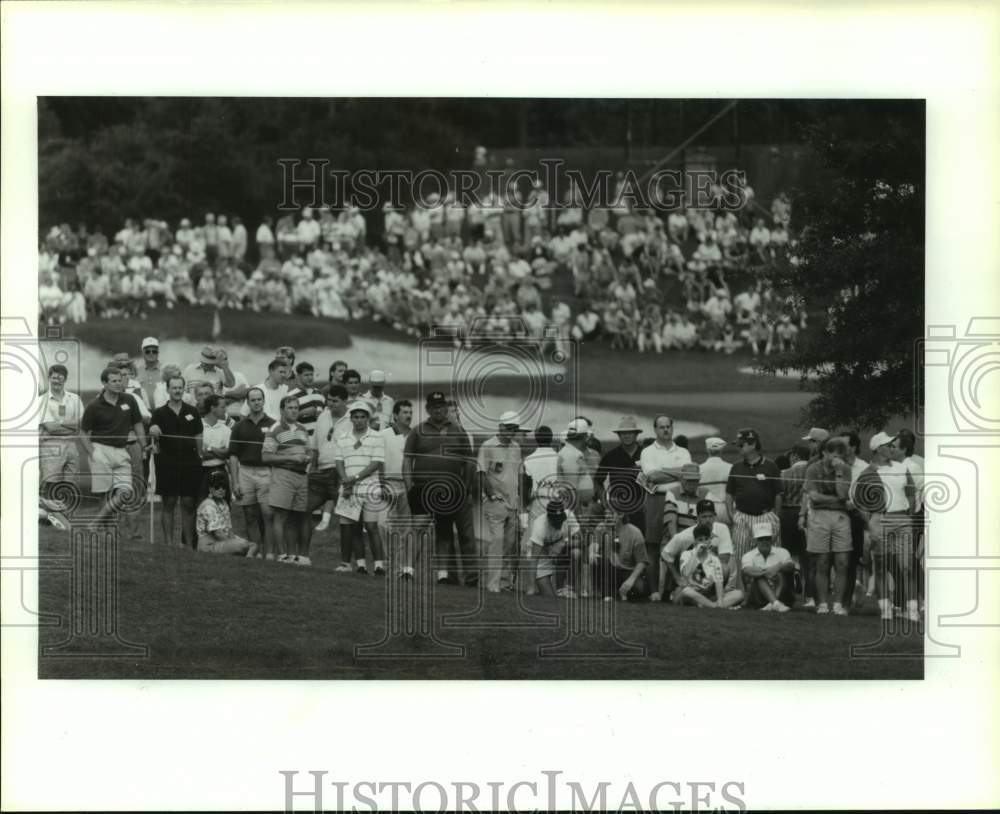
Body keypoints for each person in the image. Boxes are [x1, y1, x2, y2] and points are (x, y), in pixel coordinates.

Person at [403, 390, 476, 586]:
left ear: (445, 408)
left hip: (451, 490)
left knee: (444, 532)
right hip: (422, 488)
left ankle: (443, 575)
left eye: (441, 406)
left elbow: (469, 462)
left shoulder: (458, 430)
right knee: (418, 528)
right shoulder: (417, 430)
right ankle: (408, 570)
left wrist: (466, 487)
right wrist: (409, 486)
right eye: (434, 407)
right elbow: (407, 460)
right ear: (428, 409)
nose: (438, 410)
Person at [855, 431, 919, 622]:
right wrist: (871, 524)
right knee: (881, 567)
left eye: (893, 444)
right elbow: (860, 503)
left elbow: (910, 493)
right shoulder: (868, 473)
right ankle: (886, 610)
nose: (891, 447)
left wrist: (907, 516)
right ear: (878, 449)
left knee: (907, 567)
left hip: (902, 521)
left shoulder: (901, 468)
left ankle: (913, 610)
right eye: (888, 445)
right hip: (880, 520)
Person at [80, 366, 146, 527]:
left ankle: (95, 524)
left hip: (121, 451)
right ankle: (104, 532)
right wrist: (93, 453)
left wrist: (144, 445)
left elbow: (137, 423)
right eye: (114, 381)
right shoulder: (94, 405)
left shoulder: (129, 400)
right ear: (104, 383)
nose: (118, 383)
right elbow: (82, 432)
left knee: (125, 492)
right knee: (104, 494)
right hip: (100, 450)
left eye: (120, 380)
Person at [638, 414, 692, 600]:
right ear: (655, 430)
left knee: (677, 542)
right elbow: (652, 477)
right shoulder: (648, 452)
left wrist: (665, 472)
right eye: (661, 427)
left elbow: (688, 472)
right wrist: (677, 473)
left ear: (672, 427)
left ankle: (672, 590)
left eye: (668, 426)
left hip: (678, 498)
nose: (665, 430)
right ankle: (654, 592)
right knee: (652, 545)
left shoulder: (683, 451)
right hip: (656, 499)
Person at [149, 375, 203, 547]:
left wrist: (200, 455)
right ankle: (169, 546)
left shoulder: (192, 411)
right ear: (168, 390)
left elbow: (198, 435)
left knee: (188, 503)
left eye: (180, 388)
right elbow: (153, 435)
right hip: (166, 463)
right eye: (174, 388)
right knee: (169, 502)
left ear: (184, 389)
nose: (177, 391)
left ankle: (187, 545)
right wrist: (153, 429)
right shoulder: (159, 413)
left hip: (190, 462)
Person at [334, 400, 386, 575]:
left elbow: (376, 463)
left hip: (370, 488)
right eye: (355, 417)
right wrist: (345, 481)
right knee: (353, 528)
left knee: (371, 527)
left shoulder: (377, 437)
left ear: (368, 419)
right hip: (349, 488)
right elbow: (339, 461)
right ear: (351, 418)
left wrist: (354, 478)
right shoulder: (343, 437)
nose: (359, 420)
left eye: (362, 417)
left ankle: (379, 566)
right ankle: (361, 565)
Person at [803, 437, 853, 615]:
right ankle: (823, 604)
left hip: (840, 517)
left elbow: (843, 493)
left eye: (839, 455)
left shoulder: (845, 469)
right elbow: (814, 497)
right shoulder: (813, 469)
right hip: (819, 516)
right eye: (832, 454)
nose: (835, 458)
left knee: (842, 562)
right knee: (822, 562)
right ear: (824, 452)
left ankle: (838, 604)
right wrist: (838, 500)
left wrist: (839, 472)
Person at [653, 499, 734, 601]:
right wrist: (677, 578)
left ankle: (709, 598)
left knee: (724, 569)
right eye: (704, 516)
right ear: (697, 518)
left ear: (715, 516)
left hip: (712, 575)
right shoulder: (684, 536)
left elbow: (724, 560)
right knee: (680, 598)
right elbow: (665, 554)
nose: (708, 520)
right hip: (690, 578)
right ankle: (707, 599)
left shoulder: (722, 529)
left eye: (710, 516)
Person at [261, 395, 311, 563]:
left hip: (301, 476)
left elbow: (309, 451)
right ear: (282, 410)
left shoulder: (303, 429)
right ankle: (282, 555)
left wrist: (307, 457)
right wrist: (291, 459)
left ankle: (292, 555)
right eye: (290, 407)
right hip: (283, 474)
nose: (294, 411)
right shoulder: (275, 429)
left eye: (296, 407)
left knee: (295, 516)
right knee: (281, 515)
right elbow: (266, 457)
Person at [227, 386, 275, 558]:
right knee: (250, 515)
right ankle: (256, 552)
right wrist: (235, 482)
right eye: (253, 400)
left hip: (266, 472)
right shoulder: (239, 426)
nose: (256, 403)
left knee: (268, 514)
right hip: (245, 472)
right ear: (248, 402)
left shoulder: (273, 424)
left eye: (259, 399)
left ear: (263, 401)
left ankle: (269, 553)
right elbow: (233, 456)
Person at [477, 411, 523, 593]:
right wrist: (491, 494)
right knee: (497, 540)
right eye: (509, 428)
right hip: (495, 501)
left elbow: (517, 474)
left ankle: (505, 583)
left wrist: (520, 500)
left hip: (513, 502)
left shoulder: (516, 447)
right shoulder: (488, 446)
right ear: (501, 427)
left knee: (510, 544)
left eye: (514, 429)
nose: (511, 432)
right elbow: (481, 473)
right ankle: (493, 584)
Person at [725, 428, 783, 562]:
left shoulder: (770, 466)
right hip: (743, 517)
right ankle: (741, 584)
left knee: (769, 559)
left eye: (741, 445)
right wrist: (731, 514)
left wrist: (775, 516)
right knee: (740, 558)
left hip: (765, 516)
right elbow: (729, 493)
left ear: (753, 444)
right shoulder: (736, 467)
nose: (738, 448)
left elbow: (778, 494)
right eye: (738, 445)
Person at [378, 399, 414, 578]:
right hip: (389, 483)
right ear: (395, 415)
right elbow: (379, 460)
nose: (408, 415)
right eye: (404, 412)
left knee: (406, 528)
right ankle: (390, 564)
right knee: (384, 526)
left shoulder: (415, 435)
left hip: (408, 485)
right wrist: (382, 483)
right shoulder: (384, 434)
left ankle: (405, 569)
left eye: (410, 412)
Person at [311, 385, 352, 538]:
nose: (330, 404)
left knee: (346, 512)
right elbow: (315, 445)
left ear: (344, 401)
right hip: (322, 469)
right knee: (307, 506)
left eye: (335, 401)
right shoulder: (323, 416)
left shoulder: (352, 419)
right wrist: (313, 466)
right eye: (328, 400)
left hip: (342, 471)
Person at [38, 363, 82, 501]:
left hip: (72, 446)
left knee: (70, 485)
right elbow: (51, 428)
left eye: (60, 377)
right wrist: (71, 427)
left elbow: (81, 424)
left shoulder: (75, 399)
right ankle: (49, 519)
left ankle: (65, 520)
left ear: (65, 379)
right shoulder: (42, 400)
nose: (57, 380)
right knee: (50, 484)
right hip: (50, 446)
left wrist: (60, 423)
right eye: (54, 377)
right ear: (49, 379)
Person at [594, 415, 646, 534]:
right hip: (618, 508)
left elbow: (653, 480)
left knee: (640, 539)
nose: (626, 436)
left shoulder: (646, 454)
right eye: (623, 433)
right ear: (619, 435)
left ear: (636, 434)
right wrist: (605, 502)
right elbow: (597, 481)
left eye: (630, 433)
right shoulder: (611, 456)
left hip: (641, 508)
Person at [589, 506, 649, 601]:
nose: (607, 517)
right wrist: (592, 552)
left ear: (621, 515)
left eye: (611, 514)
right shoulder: (601, 528)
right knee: (600, 561)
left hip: (626, 571)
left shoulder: (635, 532)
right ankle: (607, 593)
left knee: (640, 589)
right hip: (608, 569)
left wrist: (631, 580)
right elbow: (594, 544)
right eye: (606, 514)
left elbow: (642, 561)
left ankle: (618, 591)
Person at [677, 525, 744, 609]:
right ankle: (713, 605)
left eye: (706, 539)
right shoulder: (686, 554)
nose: (703, 542)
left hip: (709, 594)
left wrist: (720, 600)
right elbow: (686, 574)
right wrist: (696, 554)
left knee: (739, 594)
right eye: (700, 540)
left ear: (709, 541)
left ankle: (707, 605)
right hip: (692, 592)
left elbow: (719, 581)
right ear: (695, 542)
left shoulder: (714, 558)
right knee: (686, 592)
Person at [780, 443, 813, 606]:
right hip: (807, 515)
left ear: (795, 456)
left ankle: (792, 582)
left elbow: (780, 494)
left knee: (788, 554)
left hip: (787, 513)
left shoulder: (785, 473)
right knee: (807, 555)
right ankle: (809, 596)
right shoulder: (812, 472)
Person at [528, 500, 580, 598]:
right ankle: (552, 589)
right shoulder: (540, 525)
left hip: (560, 553)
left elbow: (581, 541)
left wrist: (562, 545)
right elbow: (534, 558)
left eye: (561, 519)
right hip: (542, 556)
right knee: (549, 596)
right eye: (556, 520)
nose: (559, 523)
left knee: (576, 552)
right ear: (549, 518)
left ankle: (567, 589)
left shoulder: (569, 516)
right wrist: (531, 587)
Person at [196, 470, 254, 556]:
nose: (221, 489)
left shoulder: (224, 503)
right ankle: (247, 555)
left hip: (222, 541)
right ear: (210, 489)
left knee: (253, 545)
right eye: (217, 487)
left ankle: (248, 556)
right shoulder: (208, 505)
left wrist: (233, 541)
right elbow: (217, 533)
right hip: (209, 544)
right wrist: (232, 543)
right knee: (244, 545)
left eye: (223, 487)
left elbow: (229, 530)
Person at [741, 523, 796, 611]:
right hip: (759, 596)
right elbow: (746, 570)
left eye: (767, 538)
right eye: (761, 539)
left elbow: (790, 566)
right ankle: (776, 603)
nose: (764, 541)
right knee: (759, 577)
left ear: (772, 539)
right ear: (755, 541)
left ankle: (773, 603)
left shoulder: (782, 552)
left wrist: (778, 567)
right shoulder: (748, 555)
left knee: (780, 573)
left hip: (783, 593)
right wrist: (766, 572)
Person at [199, 394, 235, 501]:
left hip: (220, 470)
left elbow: (228, 452)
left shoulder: (226, 429)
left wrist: (210, 448)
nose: (225, 410)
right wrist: (219, 451)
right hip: (202, 471)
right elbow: (200, 453)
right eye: (222, 407)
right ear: (212, 408)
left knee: (223, 505)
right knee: (203, 505)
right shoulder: (198, 426)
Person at [663, 463, 712, 538]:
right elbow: (671, 522)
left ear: (699, 480)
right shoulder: (672, 493)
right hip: (675, 539)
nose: (692, 484)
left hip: (698, 539)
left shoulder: (706, 494)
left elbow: (708, 522)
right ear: (681, 479)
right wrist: (677, 542)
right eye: (688, 480)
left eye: (695, 480)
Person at [698, 436, 732, 524]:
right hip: (726, 510)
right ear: (721, 450)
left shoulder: (699, 469)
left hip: (706, 511)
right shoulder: (730, 468)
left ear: (707, 450)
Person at [244, 357, 290, 421]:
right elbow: (243, 415)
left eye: (285, 372)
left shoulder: (285, 391)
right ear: (271, 371)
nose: (283, 375)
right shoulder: (256, 390)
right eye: (281, 372)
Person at [287, 361, 325, 435]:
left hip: (320, 437)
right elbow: (287, 419)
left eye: (311, 374)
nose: (310, 378)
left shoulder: (319, 394)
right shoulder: (291, 396)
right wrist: (303, 413)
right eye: (306, 375)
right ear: (298, 376)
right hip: (302, 437)